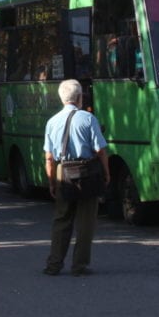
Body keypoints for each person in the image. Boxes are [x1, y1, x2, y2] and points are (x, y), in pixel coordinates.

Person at [42, 79, 110, 277]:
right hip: (87, 171)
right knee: (85, 222)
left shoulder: (52, 122)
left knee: (62, 219)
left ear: (62, 98)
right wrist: (107, 173)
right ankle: (79, 266)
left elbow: (49, 157)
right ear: (79, 98)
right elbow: (100, 151)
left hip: (63, 171)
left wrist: (51, 181)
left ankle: (54, 264)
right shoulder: (88, 119)